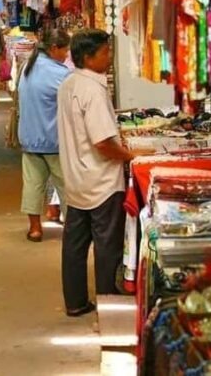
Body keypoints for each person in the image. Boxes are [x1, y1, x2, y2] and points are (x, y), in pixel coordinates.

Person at [57, 29, 151, 317]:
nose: (110, 57)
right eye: (105, 52)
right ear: (88, 57)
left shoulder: (68, 84)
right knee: (107, 246)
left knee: (75, 245)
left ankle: (75, 302)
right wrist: (132, 156)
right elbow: (103, 143)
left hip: (76, 178)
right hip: (101, 181)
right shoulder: (93, 91)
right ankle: (109, 306)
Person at [18, 29, 71, 243]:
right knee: (67, 186)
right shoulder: (61, 74)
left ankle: (35, 229)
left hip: (30, 138)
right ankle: (72, 229)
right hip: (54, 140)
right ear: (54, 48)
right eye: (65, 50)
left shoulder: (27, 67)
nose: (66, 55)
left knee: (33, 184)